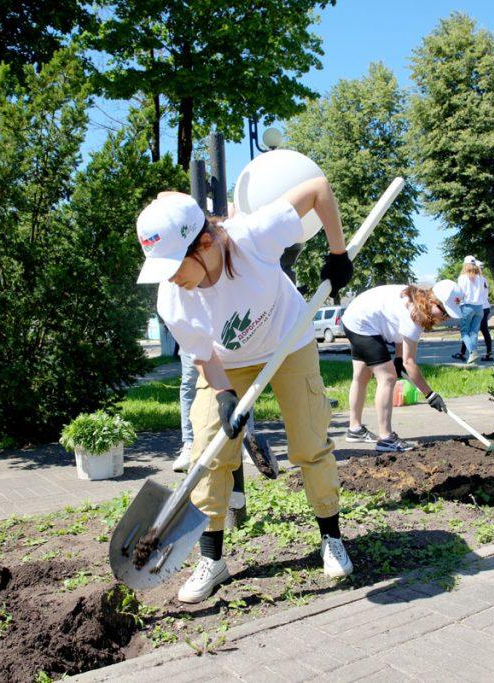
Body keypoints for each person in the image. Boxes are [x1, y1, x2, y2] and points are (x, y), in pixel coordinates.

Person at [136, 176, 355, 604]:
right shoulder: (172, 298)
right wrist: (222, 394)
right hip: (227, 362)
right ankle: (212, 559)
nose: (171, 279)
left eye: (173, 266)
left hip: (289, 340)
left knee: (310, 441)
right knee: (208, 451)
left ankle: (330, 536)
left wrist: (338, 252)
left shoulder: (254, 235)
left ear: (203, 244)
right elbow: (202, 353)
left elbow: (318, 189)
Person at [341, 281, 464, 452]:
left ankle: (355, 430)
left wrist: (398, 359)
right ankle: (385, 438)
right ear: (432, 300)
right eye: (443, 311)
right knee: (388, 377)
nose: (444, 318)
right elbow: (410, 362)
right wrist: (430, 394)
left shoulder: (417, 301)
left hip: (356, 317)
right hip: (362, 323)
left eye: (449, 315)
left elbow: (401, 337)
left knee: (362, 375)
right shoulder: (415, 312)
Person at [453, 256, 494, 362]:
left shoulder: (462, 277)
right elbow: (483, 294)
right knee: (474, 333)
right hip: (480, 308)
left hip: (467, 307)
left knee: (464, 332)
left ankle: (473, 352)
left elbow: (460, 293)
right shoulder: (481, 278)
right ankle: (472, 357)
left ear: (465, 265)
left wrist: (456, 301)